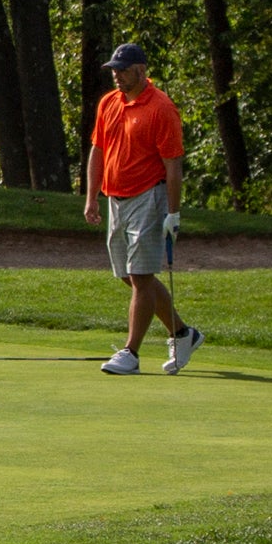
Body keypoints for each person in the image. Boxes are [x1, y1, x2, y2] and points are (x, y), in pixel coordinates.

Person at [86, 41, 205, 375]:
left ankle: (131, 353)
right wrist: (91, 197)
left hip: (148, 198)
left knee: (141, 276)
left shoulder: (161, 108)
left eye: (122, 71)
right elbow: (98, 150)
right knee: (128, 274)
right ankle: (183, 333)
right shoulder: (109, 103)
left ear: (140, 70)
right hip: (116, 199)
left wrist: (173, 211)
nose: (117, 78)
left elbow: (173, 165)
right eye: (114, 72)